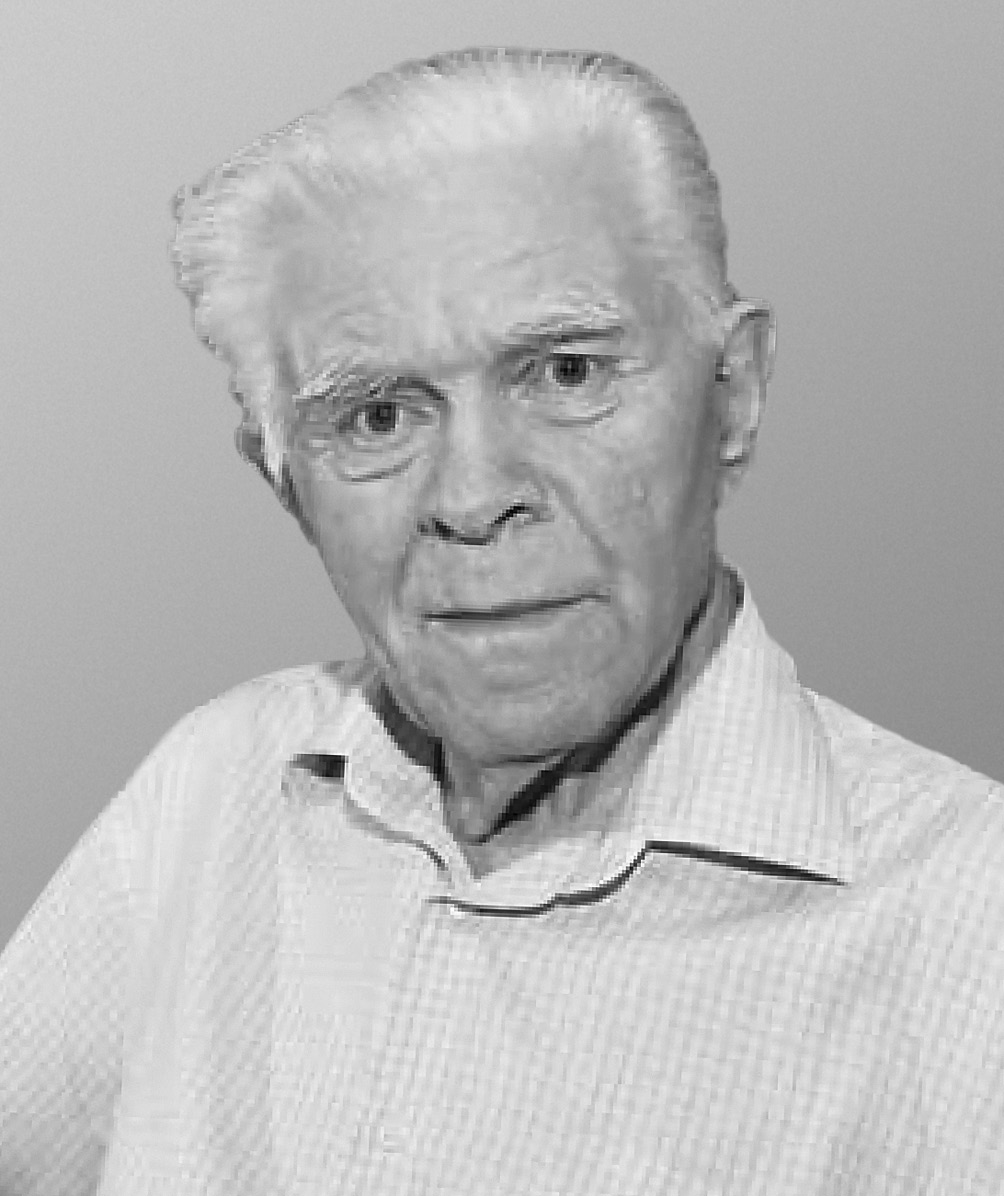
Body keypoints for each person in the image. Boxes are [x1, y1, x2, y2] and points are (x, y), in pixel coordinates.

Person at [1, 45, 1002, 1196]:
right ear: (284, 482)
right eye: (376, 415)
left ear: (732, 394)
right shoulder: (220, 785)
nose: (473, 496)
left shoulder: (967, 923)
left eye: (566, 372)